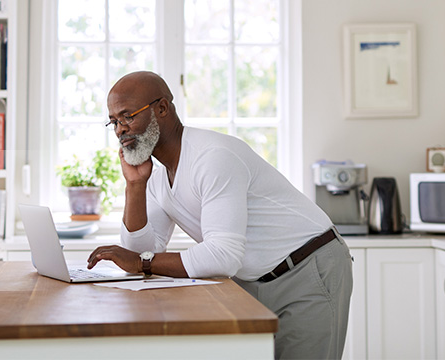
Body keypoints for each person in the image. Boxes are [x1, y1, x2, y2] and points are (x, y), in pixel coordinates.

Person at [86, 71, 352, 359]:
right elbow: (140, 253)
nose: (119, 130)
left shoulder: (212, 157)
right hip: (252, 280)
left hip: (306, 267)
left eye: (127, 117)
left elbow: (222, 255)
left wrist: (140, 262)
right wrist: (135, 186)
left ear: (161, 108)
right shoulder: (157, 171)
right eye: (113, 121)